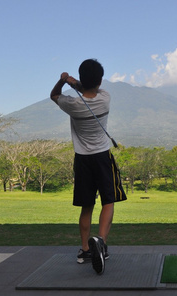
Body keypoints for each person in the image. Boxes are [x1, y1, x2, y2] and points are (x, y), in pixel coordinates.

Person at [50, 59, 127, 275]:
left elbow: (54, 96)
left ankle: (85, 250)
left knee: (87, 206)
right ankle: (101, 243)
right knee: (108, 201)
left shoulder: (72, 105)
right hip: (102, 157)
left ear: (81, 78)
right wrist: (75, 83)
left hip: (82, 159)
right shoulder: (105, 98)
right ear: (100, 80)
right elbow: (89, 89)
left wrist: (63, 80)